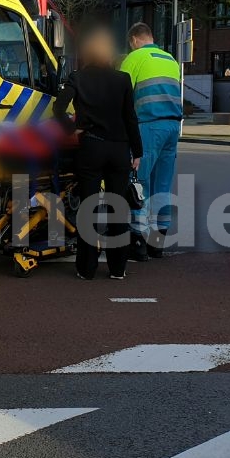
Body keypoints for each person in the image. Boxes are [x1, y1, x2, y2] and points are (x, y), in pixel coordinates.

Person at [54, 27, 142, 280]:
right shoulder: (123, 79)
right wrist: (137, 151)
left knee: (88, 208)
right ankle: (117, 268)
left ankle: (87, 268)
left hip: (91, 146)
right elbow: (130, 118)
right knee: (118, 209)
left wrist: (73, 128)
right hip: (118, 148)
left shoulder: (77, 78)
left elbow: (58, 108)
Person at [120, 22, 182, 261]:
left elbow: (122, 94)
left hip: (148, 126)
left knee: (139, 183)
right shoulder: (170, 60)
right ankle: (158, 242)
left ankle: (138, 242)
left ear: (134, 40)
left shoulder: (135, 58)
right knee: (163, 185)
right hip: (172, 126)